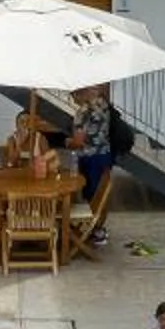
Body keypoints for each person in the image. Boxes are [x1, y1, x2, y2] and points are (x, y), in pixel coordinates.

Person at [65, 84, 115, 236]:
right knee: (99, 195)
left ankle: (92, 230)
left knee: (90, 194)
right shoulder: (104, 104)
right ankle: (99, 227)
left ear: (79, 93)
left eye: (74, 97)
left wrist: (67, 142)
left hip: (89, 158)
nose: (74, 101)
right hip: (104, 154)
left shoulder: (84, 111)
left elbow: (78, 142)